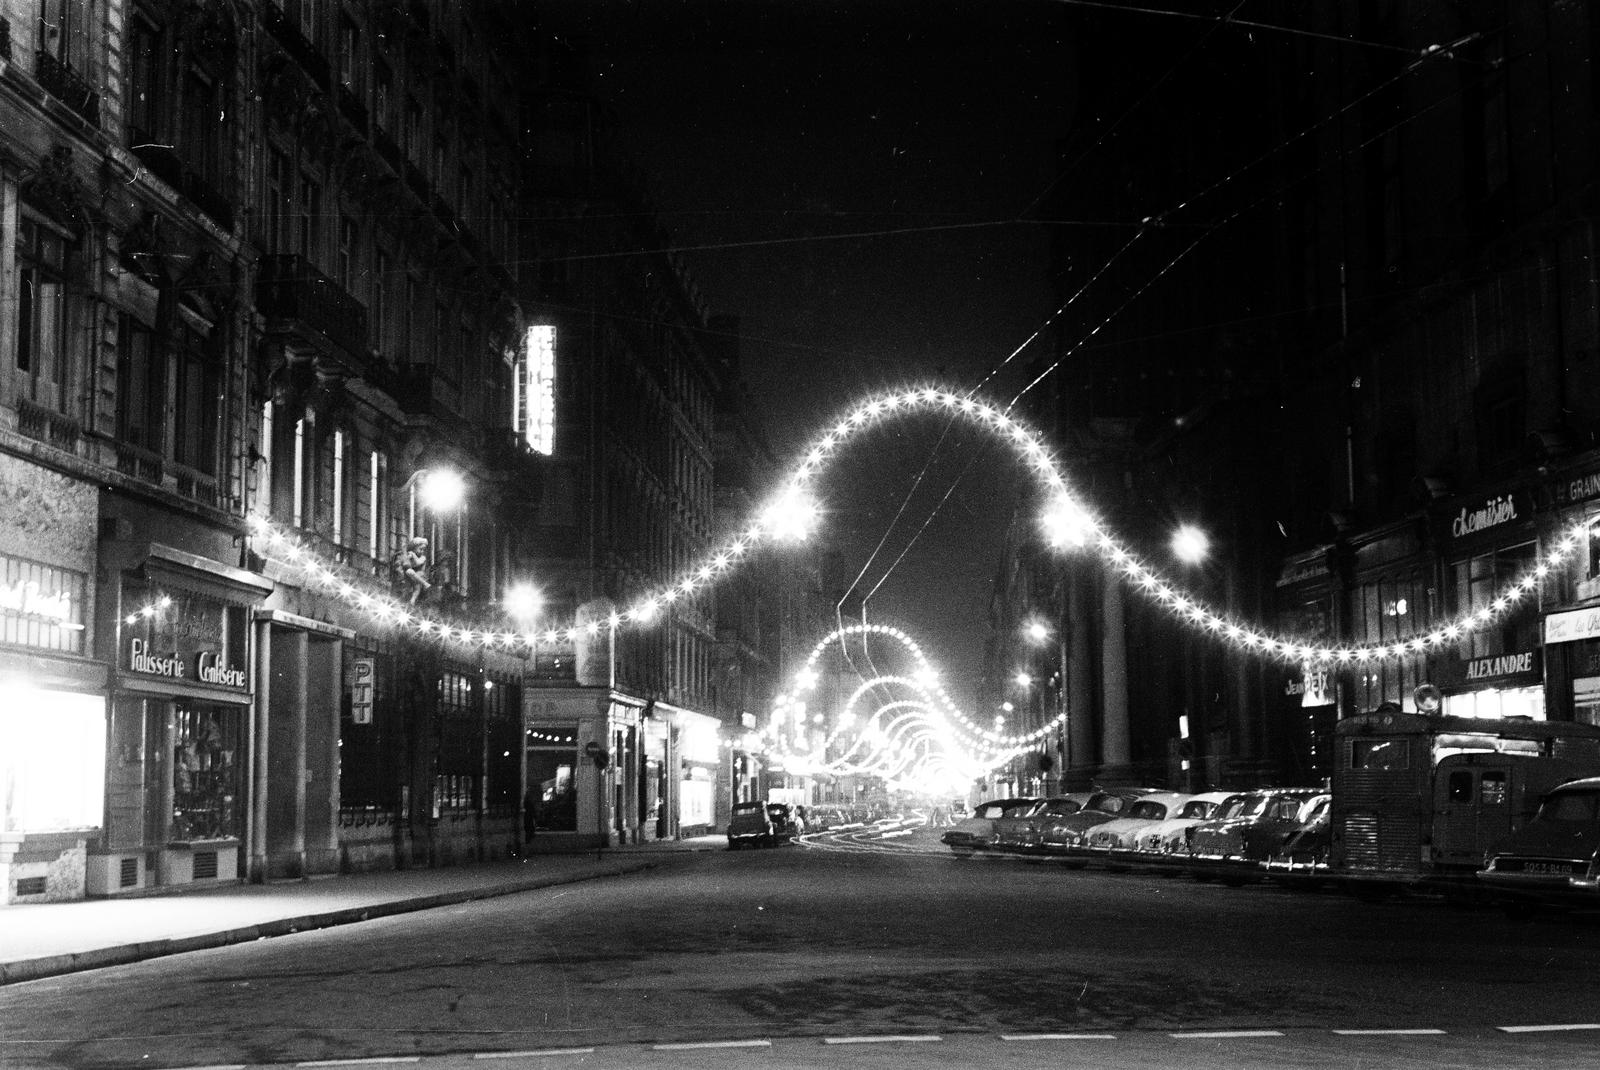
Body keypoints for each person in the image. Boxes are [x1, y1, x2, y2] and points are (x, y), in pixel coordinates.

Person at [395, 537, 430, 603]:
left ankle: (413, 599)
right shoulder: (410, 554)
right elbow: (405, 561)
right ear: (414, 548)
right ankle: (409, 600)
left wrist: (413, 555)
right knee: (408, 573)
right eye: (420, 549)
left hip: (419, 574)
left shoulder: (423, 557)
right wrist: (406, 557)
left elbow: (418, 563)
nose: (422, 551)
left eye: (423, 550)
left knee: (417, 587)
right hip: (410, 576)